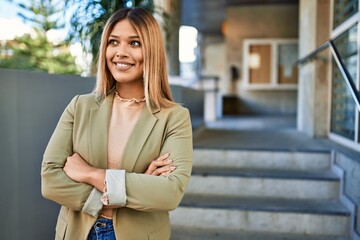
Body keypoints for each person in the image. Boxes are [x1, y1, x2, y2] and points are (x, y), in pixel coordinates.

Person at [41, 7, 193, 240]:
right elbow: (50, 179)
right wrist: (126, 190)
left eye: (134, 43)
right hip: (77, 232)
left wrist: (91, 174)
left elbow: (169, 193)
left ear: (151, 50)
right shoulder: (80, 106)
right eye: (113, 42)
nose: (120, 52)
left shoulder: (174, 117)